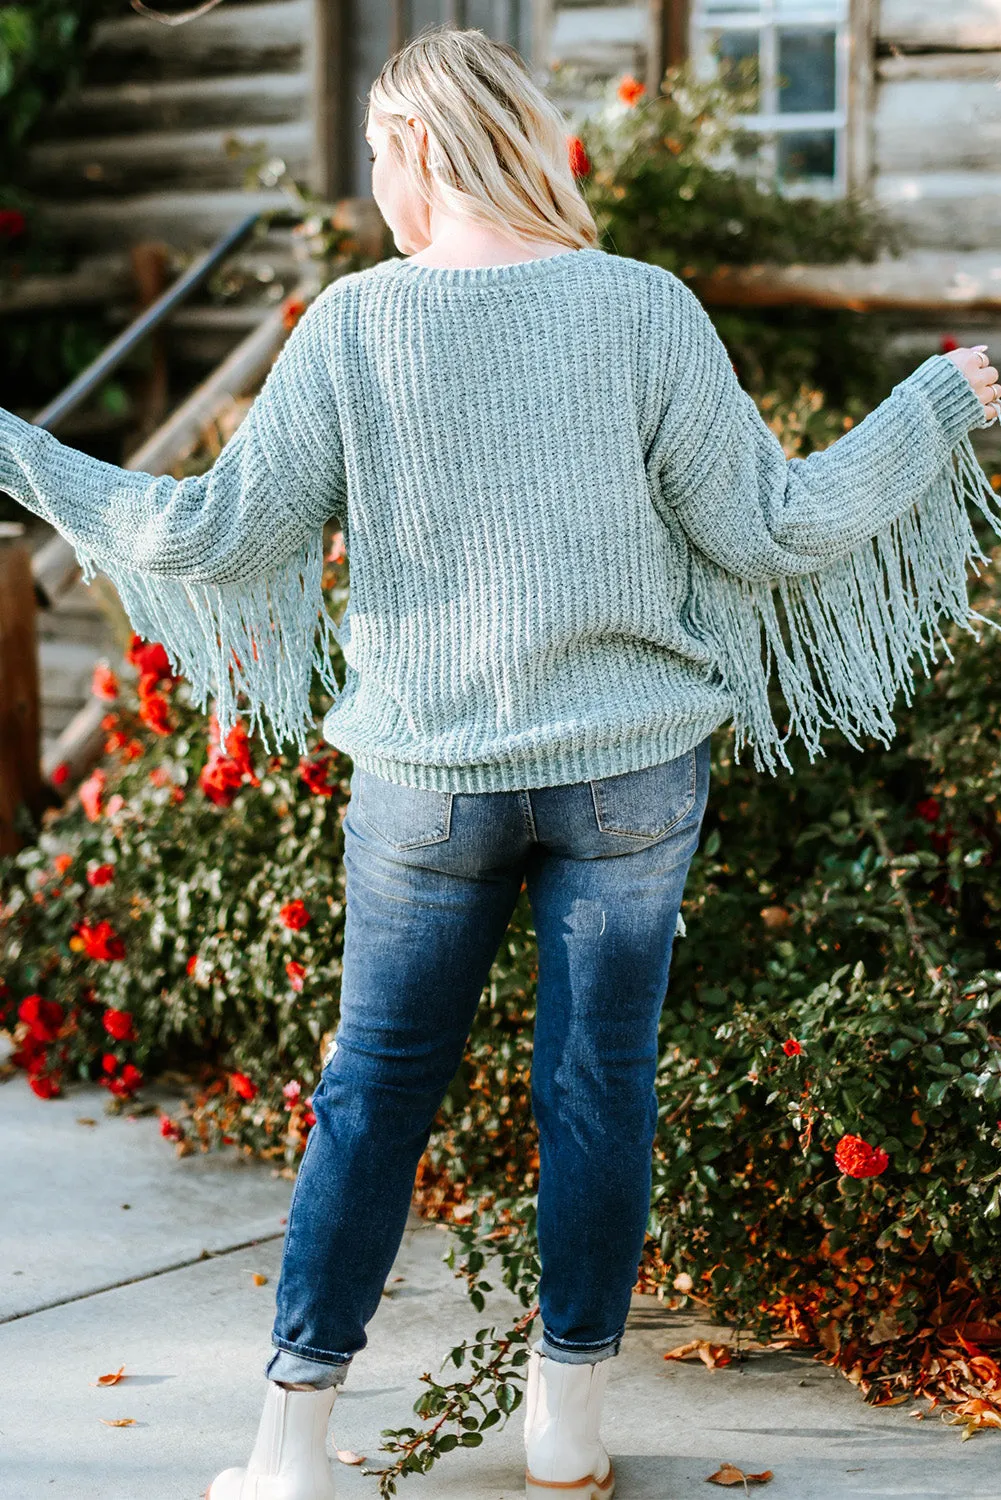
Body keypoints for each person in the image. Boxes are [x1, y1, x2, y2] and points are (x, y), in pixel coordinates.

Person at [3, 25, 1001, 1500]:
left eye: (380, 158)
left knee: (373, 1093)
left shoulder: (354, 325)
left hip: (426, 779)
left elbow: (207, 538)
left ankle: (290, 1446)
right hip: (630, 774)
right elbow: (774, 531)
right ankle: (567, 1424)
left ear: (414, 151)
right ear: (524, 138)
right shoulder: (644, 311)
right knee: (600, 1089)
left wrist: (18, 451)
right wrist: (932, 410)